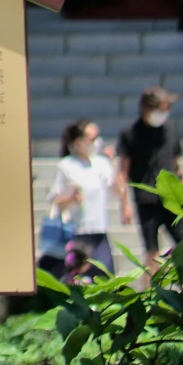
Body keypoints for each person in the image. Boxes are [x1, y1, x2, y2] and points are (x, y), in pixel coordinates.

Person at [116, 86, 183, 266]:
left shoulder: (170, 130)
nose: (164, 113)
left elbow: (176, 165)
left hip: (172, 198)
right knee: (152, 252)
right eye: (160, 109)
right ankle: (152, 290)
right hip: (146, 200)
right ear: (147, 109)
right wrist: (124, 204)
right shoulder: (130, 133)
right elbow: (123, 172)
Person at [48, 120, 120, 281]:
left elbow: (117, 191)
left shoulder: (101, 163)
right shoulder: (66, 166)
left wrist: (113, 164)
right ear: (78, 142)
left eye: (97, 137)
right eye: (91, 138)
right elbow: (55, 200)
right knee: (77, 278)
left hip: (99, 231)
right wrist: (71, 197)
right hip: (77, 232)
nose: (96, 142)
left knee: (106, 276)